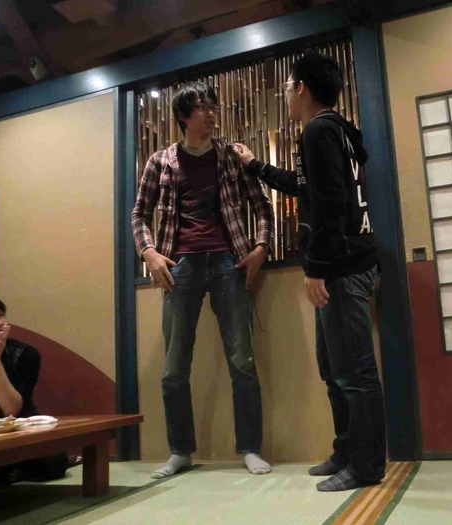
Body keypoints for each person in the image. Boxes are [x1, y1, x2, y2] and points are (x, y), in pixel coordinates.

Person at [233, 52, 387, 492]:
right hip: (348, 264)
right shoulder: (336, 130)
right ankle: (346, 452)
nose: (285, 94)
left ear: (301, 87)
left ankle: (366, 465)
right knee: (334, 369)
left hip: (342, 268)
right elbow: (307, 188)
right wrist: (255, 166)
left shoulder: (319, 131)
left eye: (286, 86)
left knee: (354, 372)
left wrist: (317, 268)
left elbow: (331, 203)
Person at [131, 81, 276, 479]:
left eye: (213, 106)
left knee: (242, 361)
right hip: (180, 266)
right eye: (202, 107)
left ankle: (250, 448)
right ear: (183, 116)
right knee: (174, 367)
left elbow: (262, 206)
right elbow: (139, 214)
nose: (211, 113)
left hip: (228, 262)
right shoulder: (160, 161)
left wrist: (261, 247)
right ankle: (180, 452)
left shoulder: (231, 156)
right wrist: (148, 252)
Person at [0, 291, 68, 485]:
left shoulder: (24, 354)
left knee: (54, 461)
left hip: (17, 429)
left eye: (0, 315)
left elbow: (12, 409)